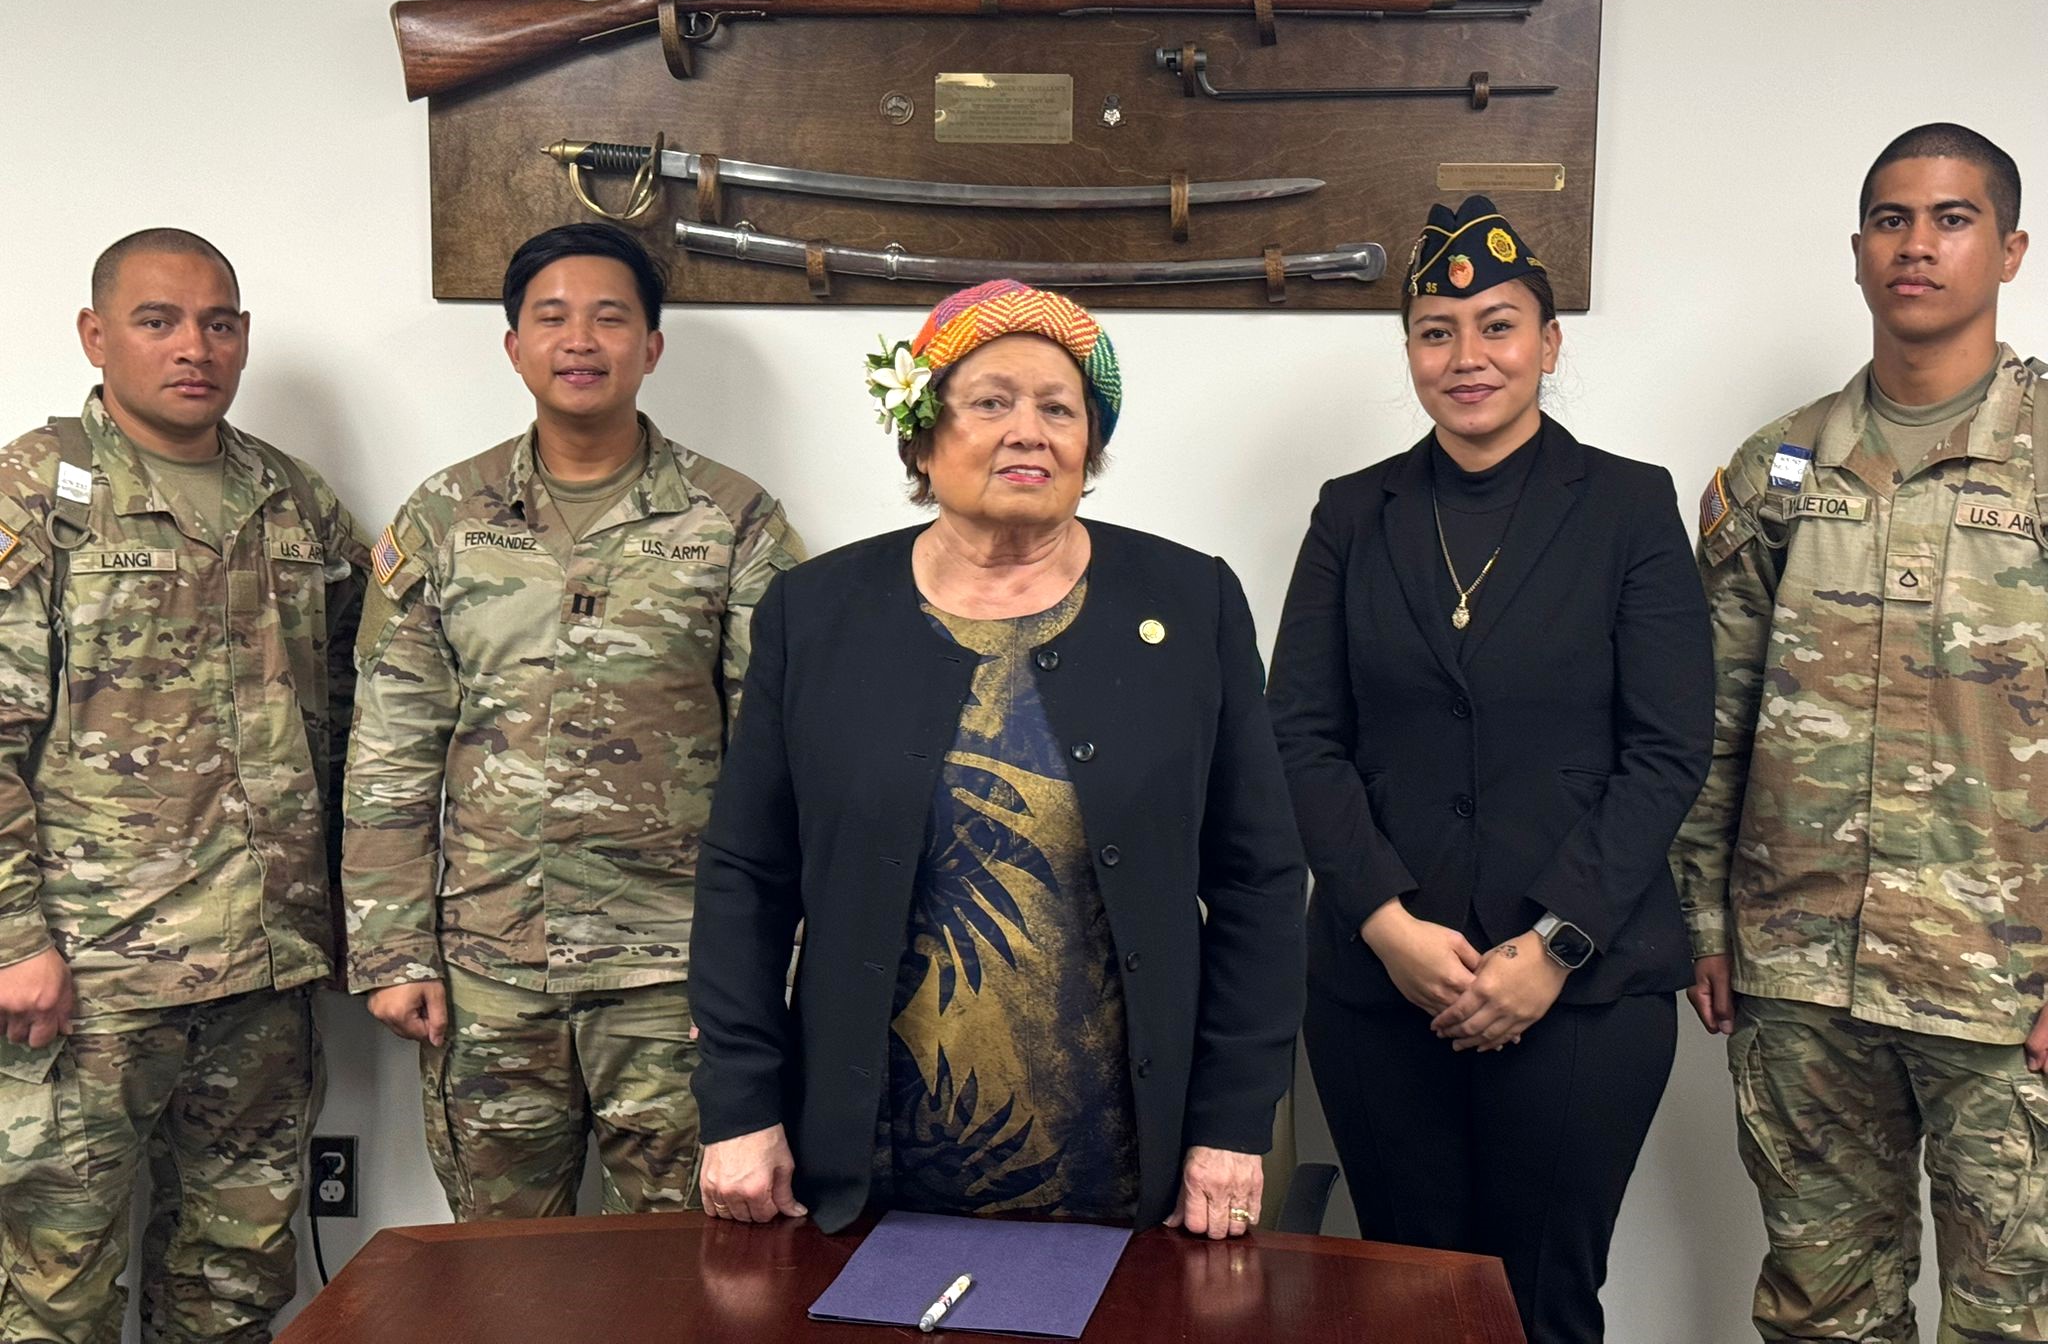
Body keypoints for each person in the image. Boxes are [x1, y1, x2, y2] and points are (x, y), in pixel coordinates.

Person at [688, 280, 1305, 1238]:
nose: (1030, 432)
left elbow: (1258, 879)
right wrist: (740, 1106)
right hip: (867, 1167)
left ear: (1090, 447)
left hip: (1129, 1168)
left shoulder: (1191, 604)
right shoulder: (815, 615)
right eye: (991, 402)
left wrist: (1232, 1124)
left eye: (1060, 409)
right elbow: (745, 876)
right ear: (922, 439)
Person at [1267, 198, 1714, 1343]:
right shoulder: (1351, 515)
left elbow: (1667, 747)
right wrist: (1385, 926)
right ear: (1408, 350)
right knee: (1406, 1303)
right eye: (1435, 330)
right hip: (1380, 989)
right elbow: (1299, 736)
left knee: (1541, 1306)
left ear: (1548, 344)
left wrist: (1552, 945)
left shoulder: (1627, 506)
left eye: (1497, 325)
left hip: (1581, 997)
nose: (1465, 355)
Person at [343, 222, 804, 1220]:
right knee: (502, 1274)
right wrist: (392, 951)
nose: (581, 340)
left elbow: (782, 763)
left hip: (675, 977)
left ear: (652, 346)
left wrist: (767, 969)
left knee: (697, 1266)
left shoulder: (733, 520)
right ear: (515, 347)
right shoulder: (444, 518)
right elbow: (390, 747)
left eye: (610, 317)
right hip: (489, 972)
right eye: (552, 318)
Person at [1672, 124, 2045, 1343]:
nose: (1914, 245)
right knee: (1820, 1313)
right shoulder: (1778, 470)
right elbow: (1710, 713)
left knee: (2012, 1318)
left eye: (1949, 219)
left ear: (2008, 251)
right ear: (1855, 250)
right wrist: (1704, 920)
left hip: (2000, 989)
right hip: (1800, 974)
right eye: (1890, 220)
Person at [0, 228, 369, 1342]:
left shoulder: (291, 500)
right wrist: (13, 937)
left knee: (235, 1282)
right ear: (95, 334)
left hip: (264, 968)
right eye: (157, 321)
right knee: (56, 1289)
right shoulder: (34, 492)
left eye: (216, 323)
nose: (192, 348)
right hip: (91, 974)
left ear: (243, 337)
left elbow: (370, 704)